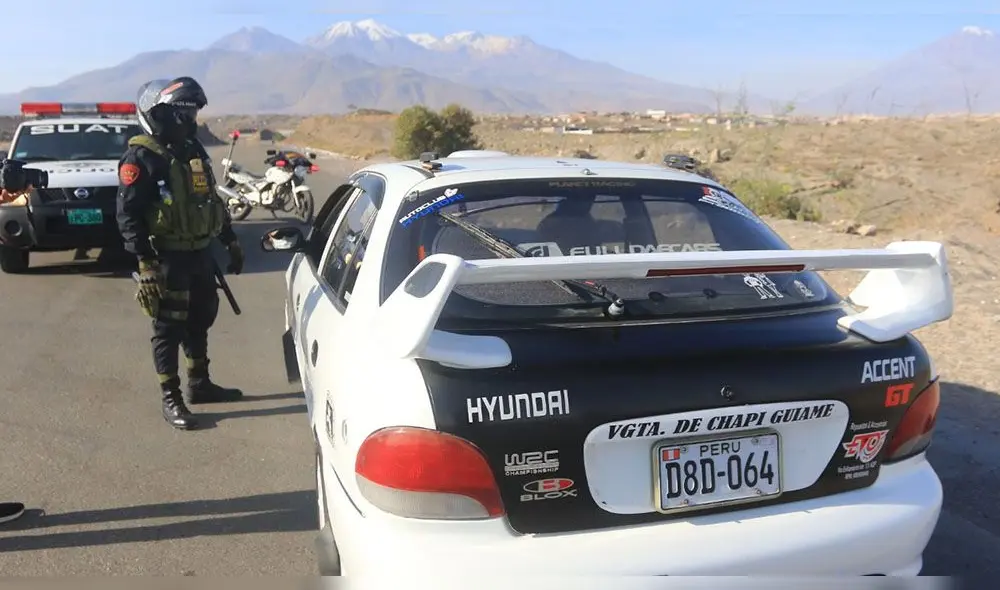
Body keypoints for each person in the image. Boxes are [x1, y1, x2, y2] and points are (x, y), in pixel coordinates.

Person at [116, 76, 245, 431]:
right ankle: (170, 396)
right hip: (166, 258)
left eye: (191, 115)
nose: (189, 122)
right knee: (168, 327)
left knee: (200, 317)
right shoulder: (141, 158)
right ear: (158, 114)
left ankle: (199, 384)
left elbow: (210, 199)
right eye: (182, 115)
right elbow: (128, 216)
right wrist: (146, 264)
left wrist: (230, 240)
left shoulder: (192, 150)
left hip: (200, 253)